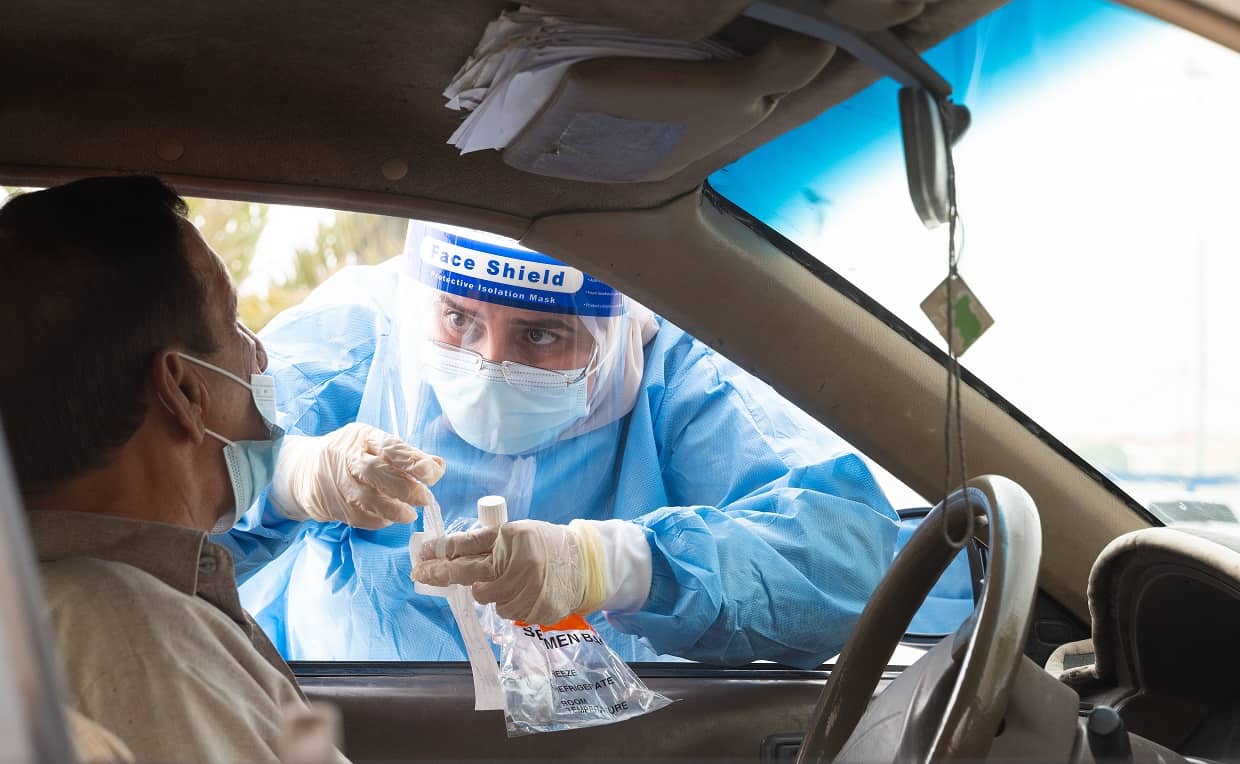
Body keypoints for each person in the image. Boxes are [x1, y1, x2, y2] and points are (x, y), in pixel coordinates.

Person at [224, 221, 901, 668]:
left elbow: (848, 558)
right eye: (460, 318)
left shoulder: (681, 380)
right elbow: (148, 494)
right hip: (349, 731)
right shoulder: (361, 339)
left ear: (625, 324)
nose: (488, 365)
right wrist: (287, 475)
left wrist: (611, 565)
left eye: (540, 336)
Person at [0, 176, 440, 763]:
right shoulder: (138, 642)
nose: (260, 354)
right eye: (234, 324)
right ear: (183, 390)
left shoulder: (56, 603)